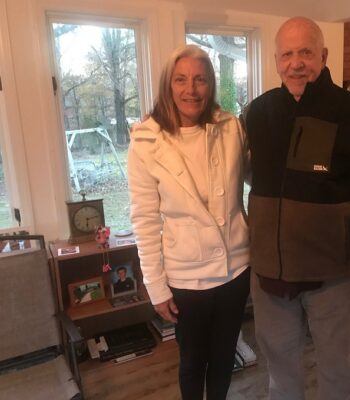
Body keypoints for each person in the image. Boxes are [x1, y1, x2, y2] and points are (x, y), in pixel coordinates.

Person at [244, 17, 350, 400]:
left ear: (323, 56)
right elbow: (231, 163)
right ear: (276, 61)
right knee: (280, 373)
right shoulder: (257, 113)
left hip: (335, 278)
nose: (296, 63)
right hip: (271, 277)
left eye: (306, 53)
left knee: (336, 371)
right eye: (287, 55)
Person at [127, 44, 250, 400]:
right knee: (193, 362)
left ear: (211, 85)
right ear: (168, 84)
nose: (190, 90)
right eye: (181, 80)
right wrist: (156, 286)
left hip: (235, 270)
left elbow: (259, 177)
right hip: (186, 278)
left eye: (200, 80)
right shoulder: (146, 141)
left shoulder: (231, 128)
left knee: (225, 359)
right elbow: (144, 219)